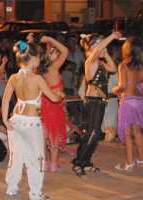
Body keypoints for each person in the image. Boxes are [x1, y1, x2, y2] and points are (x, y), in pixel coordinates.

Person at [2, 41, 64, 200]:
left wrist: (4, 119)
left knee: (16, 155)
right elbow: (53, 98)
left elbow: (6, 99)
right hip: (30, 121)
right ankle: (35, 192)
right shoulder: (36, 78)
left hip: (15, 119)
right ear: (35, 59)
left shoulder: (14, 77)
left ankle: (12, 187)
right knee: (35, 156)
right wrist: (60, 95)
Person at [71, 32, 122, 177]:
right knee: (92, 133)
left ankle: (86, 162)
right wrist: (111, 36)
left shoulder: (100, 63)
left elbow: (113, 68)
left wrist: (105, 54)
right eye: (101, 45)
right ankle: (79, 162)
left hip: (100, 102)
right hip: (92, 101)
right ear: (93, 47)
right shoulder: (90, 62)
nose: (105, 48)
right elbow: (99, 48)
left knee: (96, 134)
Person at [34, 35, 69, 173]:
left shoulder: (39, 70)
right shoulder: (54, 67)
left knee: (45, 134)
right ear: (47, 55)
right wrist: (50, 38)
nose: (58, 53)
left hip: (44, 103)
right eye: (54, 51)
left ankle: (43, 163)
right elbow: (65, 50)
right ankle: (53, 164)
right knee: (53, 134)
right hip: (53, 104)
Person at [112, 37, 143, 171]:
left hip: (128, 101)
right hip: (139, 101)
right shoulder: (141, 66)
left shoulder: (123, 65)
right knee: (137, 131)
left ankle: (129, 163)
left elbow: (123, 85)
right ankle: (141, 160)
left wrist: (115, 90)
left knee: (126, 132)